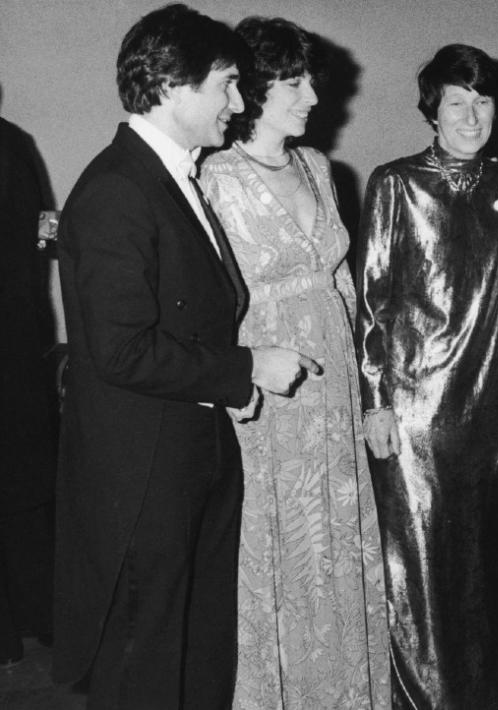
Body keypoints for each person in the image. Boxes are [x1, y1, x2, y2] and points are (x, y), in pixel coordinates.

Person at [54, 5, 317, 707]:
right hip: (142, 480)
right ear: (173, 85)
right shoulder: (117, 189)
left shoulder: (172, 178)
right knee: (146, 668)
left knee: (195, 658)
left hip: (188, 460)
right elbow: (120, 349)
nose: (240, 102)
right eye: (228, 85)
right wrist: (246, 369)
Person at [199, 16, 389, 709]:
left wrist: (370, 396)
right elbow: (206, 298)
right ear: (252, 88)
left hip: (332, 380)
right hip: (267, 389)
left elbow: (345, 286)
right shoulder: (214, 175)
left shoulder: (319, 167)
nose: (312, 95)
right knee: (280, 542)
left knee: (336, 537)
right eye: (293, 82)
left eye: (311, 79)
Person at [356, 43, 498, 710]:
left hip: (485, 408)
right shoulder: (395, 183)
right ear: (433, 111)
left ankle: (476, 696)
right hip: (411, 411)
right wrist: (374, 399)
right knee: (417, 571)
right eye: (457, 102)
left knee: (481, 567)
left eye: (483, 101)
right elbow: (375, 297)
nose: (472, 114)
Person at [0, 116, 57, 668]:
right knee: (24, 491)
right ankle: (40, 617)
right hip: (17, 339)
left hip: (16, 341)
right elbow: (47, 233)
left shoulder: (15, 141)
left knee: (23, 488)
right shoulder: (16, 140)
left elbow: (45, 232)